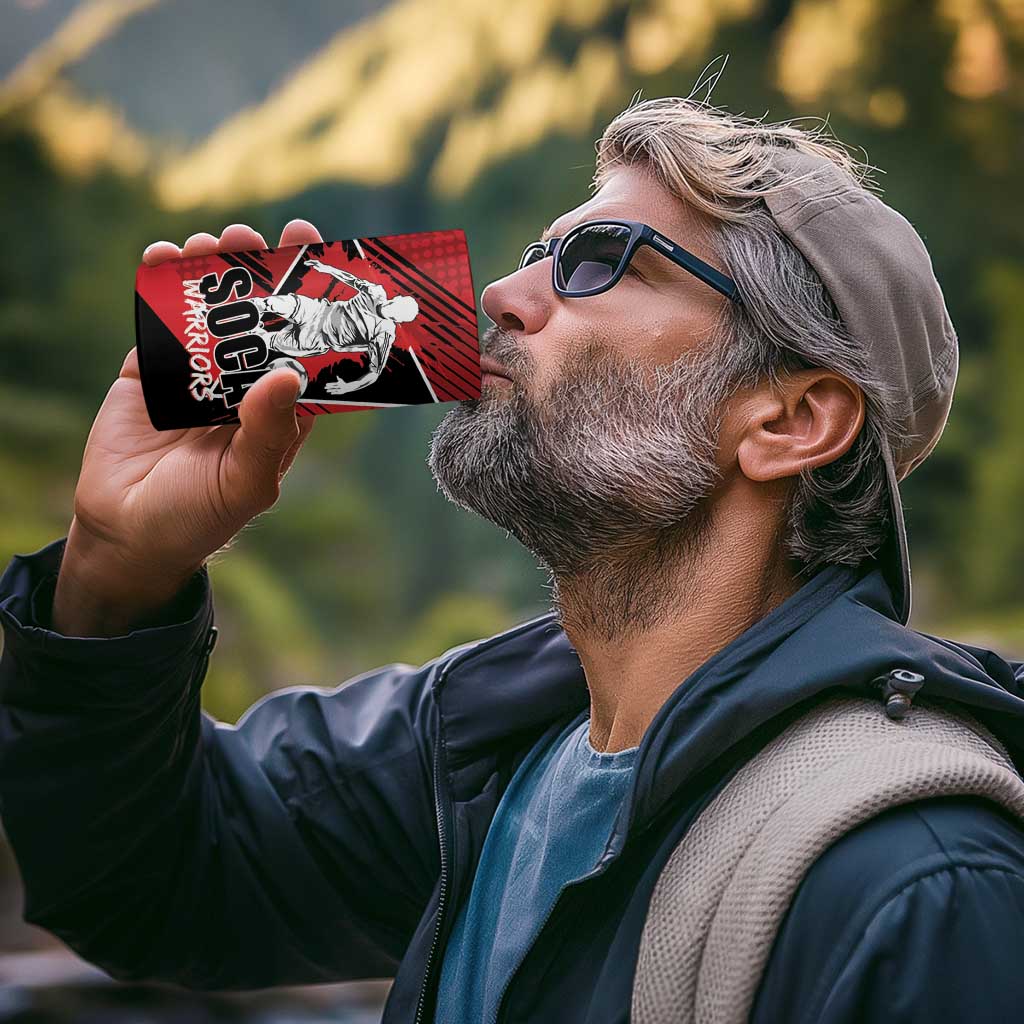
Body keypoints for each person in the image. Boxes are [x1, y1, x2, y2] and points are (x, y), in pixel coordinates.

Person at [2, 94, 1024, 1024]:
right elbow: (150, 880)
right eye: (541, 251)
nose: (501, 292)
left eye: (601, 261)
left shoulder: (918, 886)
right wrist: (116, 573)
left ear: (790, 421)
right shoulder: (482, 746)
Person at [251, 259, 419, 396]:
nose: (393, 311)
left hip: (315, 340)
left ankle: (253, 335)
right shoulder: (376, 293)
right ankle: (252, 307)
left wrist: (349, 386)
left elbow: (374, 373)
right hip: (317, 311)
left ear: (398, 320)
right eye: (398, 306)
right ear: (396, 299)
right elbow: (352, 280)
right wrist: (327, 268)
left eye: (398, 314)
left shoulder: (385, 333)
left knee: (265, 341)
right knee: (273, 303)